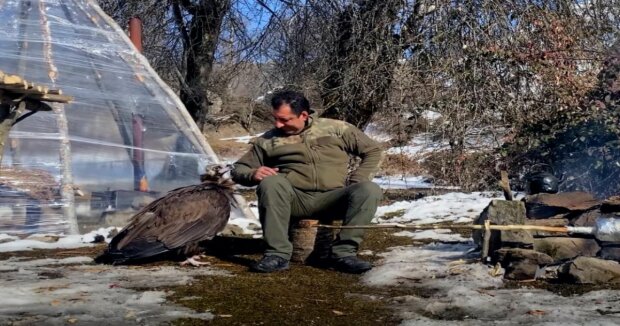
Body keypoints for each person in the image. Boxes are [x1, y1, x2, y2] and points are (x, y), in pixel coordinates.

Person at [232, 90, 383, 274]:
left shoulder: (337, 129)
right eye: (276, 118)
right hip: (295, 200)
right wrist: (253, 173)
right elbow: (238, 169)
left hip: (333, 198)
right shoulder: (267, 140)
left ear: (303, 115)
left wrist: (357, 180)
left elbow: (373, 151)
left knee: (369, 189)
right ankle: (277, 255)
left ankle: (344, 254)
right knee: (271, 183)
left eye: (285, 119)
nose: (278, 124)